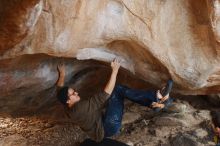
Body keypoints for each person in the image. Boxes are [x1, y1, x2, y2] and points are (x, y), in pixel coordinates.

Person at [56, 59, 173, 142]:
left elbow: (59, 89)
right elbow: (105, 94)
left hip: (102, 122)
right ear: (68, 100)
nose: (76, 92)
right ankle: (155, 98)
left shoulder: (66, 104)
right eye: (72, 93)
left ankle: (155, 102)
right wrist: (115, 70)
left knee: (116, 92)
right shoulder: (80, 108)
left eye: (74, 91)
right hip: (108, 127)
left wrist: (62, 74)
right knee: (117, 90)